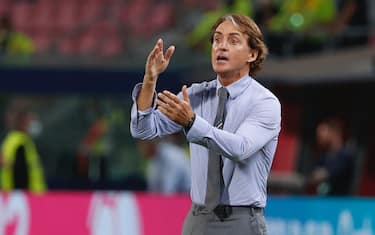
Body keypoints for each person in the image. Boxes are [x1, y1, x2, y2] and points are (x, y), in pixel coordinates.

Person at [130, 13, 281, 235]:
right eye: (217, 40)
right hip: (197, 219)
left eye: (233, 40)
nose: (221, 46)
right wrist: (150, 80)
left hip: (240, 221)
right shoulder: (195, 95)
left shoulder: (265, 103)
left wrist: (191, 122)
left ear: (252, 53)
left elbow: (239, 148)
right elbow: (143, 129)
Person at [0, 98, 46, 193]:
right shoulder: (20, 143)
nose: (34, 122)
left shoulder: (12, 139)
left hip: (14, 197)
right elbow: (20, 174)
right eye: (32, 119)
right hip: (26, 199)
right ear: (23, 120)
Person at [307, 116, 355, 196]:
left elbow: (322, 176)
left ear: (334, 132)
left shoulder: (345, 156)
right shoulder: (323, 156)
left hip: (338, 204)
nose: (319, 138)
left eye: (322, 132)